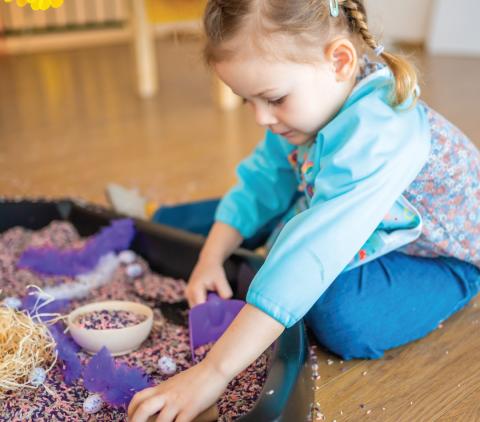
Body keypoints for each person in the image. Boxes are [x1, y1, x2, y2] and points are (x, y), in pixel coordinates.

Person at [126, 0, 480, 420]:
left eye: (272, 98)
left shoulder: (382, 134)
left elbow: (312, 253)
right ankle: (171, 222)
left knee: (338, 314)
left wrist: (213, 372)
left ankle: (247, 247)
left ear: (340, 62)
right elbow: (261, 182)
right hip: (350, 221)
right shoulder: (305, 106)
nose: (260, 117)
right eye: (246, 101)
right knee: (233, 219)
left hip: (439, 260)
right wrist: (210, 258)